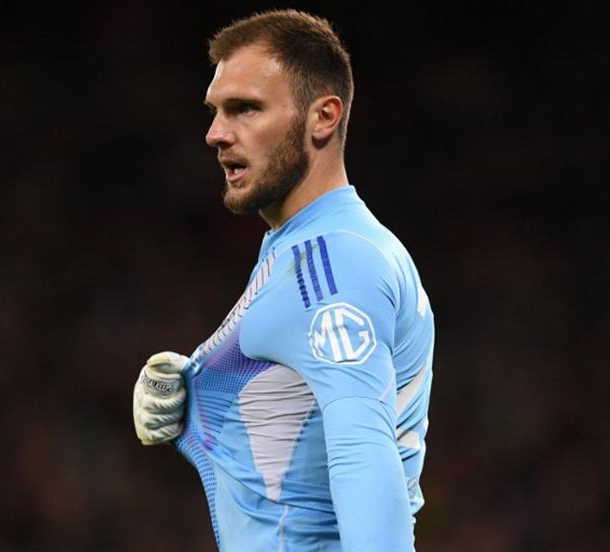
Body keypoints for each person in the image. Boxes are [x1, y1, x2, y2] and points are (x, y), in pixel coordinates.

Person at [132, 9, 434, 551]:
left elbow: (364, 461)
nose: (215, 134)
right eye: (216, 112)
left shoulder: (333, 266)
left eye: (245, 109)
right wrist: (202, 383)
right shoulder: (314, 247)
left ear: (323, 117)